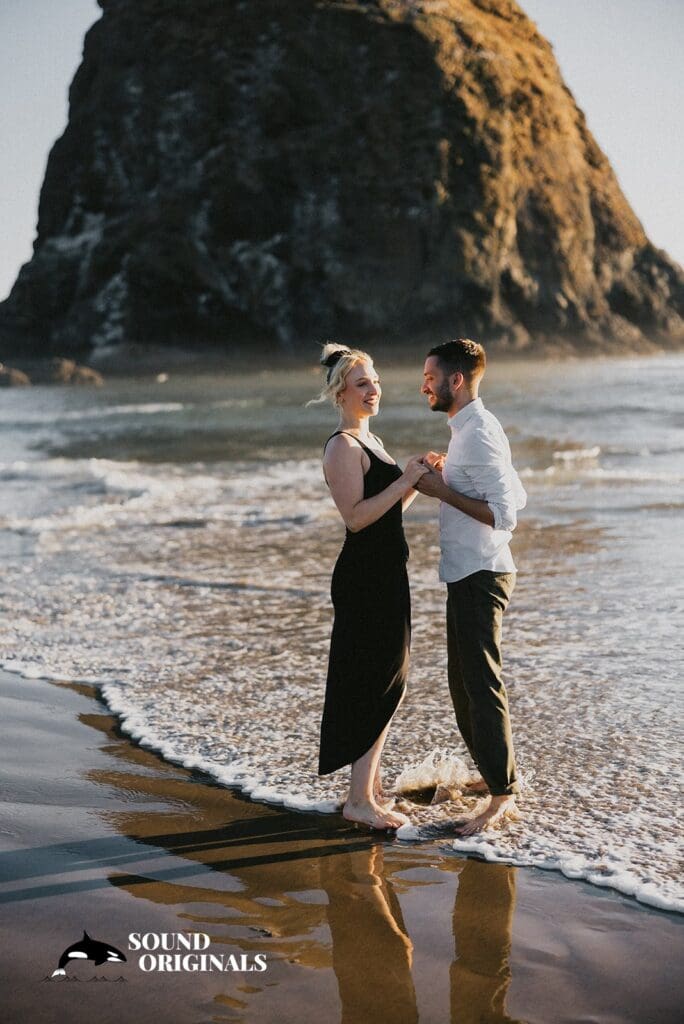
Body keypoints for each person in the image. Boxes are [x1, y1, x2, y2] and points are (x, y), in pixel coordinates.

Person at [310, 343, 428, 830]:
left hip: (386, 570)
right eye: (362, 383)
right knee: (374, 682)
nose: (373, 388)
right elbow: (357, 519)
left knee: (390, 681)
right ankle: (358, 800)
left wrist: (416, 481)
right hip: (364, 579)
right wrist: (404, 482)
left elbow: (386, 513)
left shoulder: (371, 440)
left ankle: (370, 789)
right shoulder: (342, 446)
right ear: (341, 393)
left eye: (375, 380)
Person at [417, 338, 527, 834]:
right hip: (467, 570)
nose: (424, 385)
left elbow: (506, 514)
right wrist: (451, 476)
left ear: (455, 381)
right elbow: (513, 489)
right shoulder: (469, 430)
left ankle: (502, 795)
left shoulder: (478, 431)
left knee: (481, 684)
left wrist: (441, 490)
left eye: (431, 377)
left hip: (483, 573)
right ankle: (495, 773)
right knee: (462, 683)